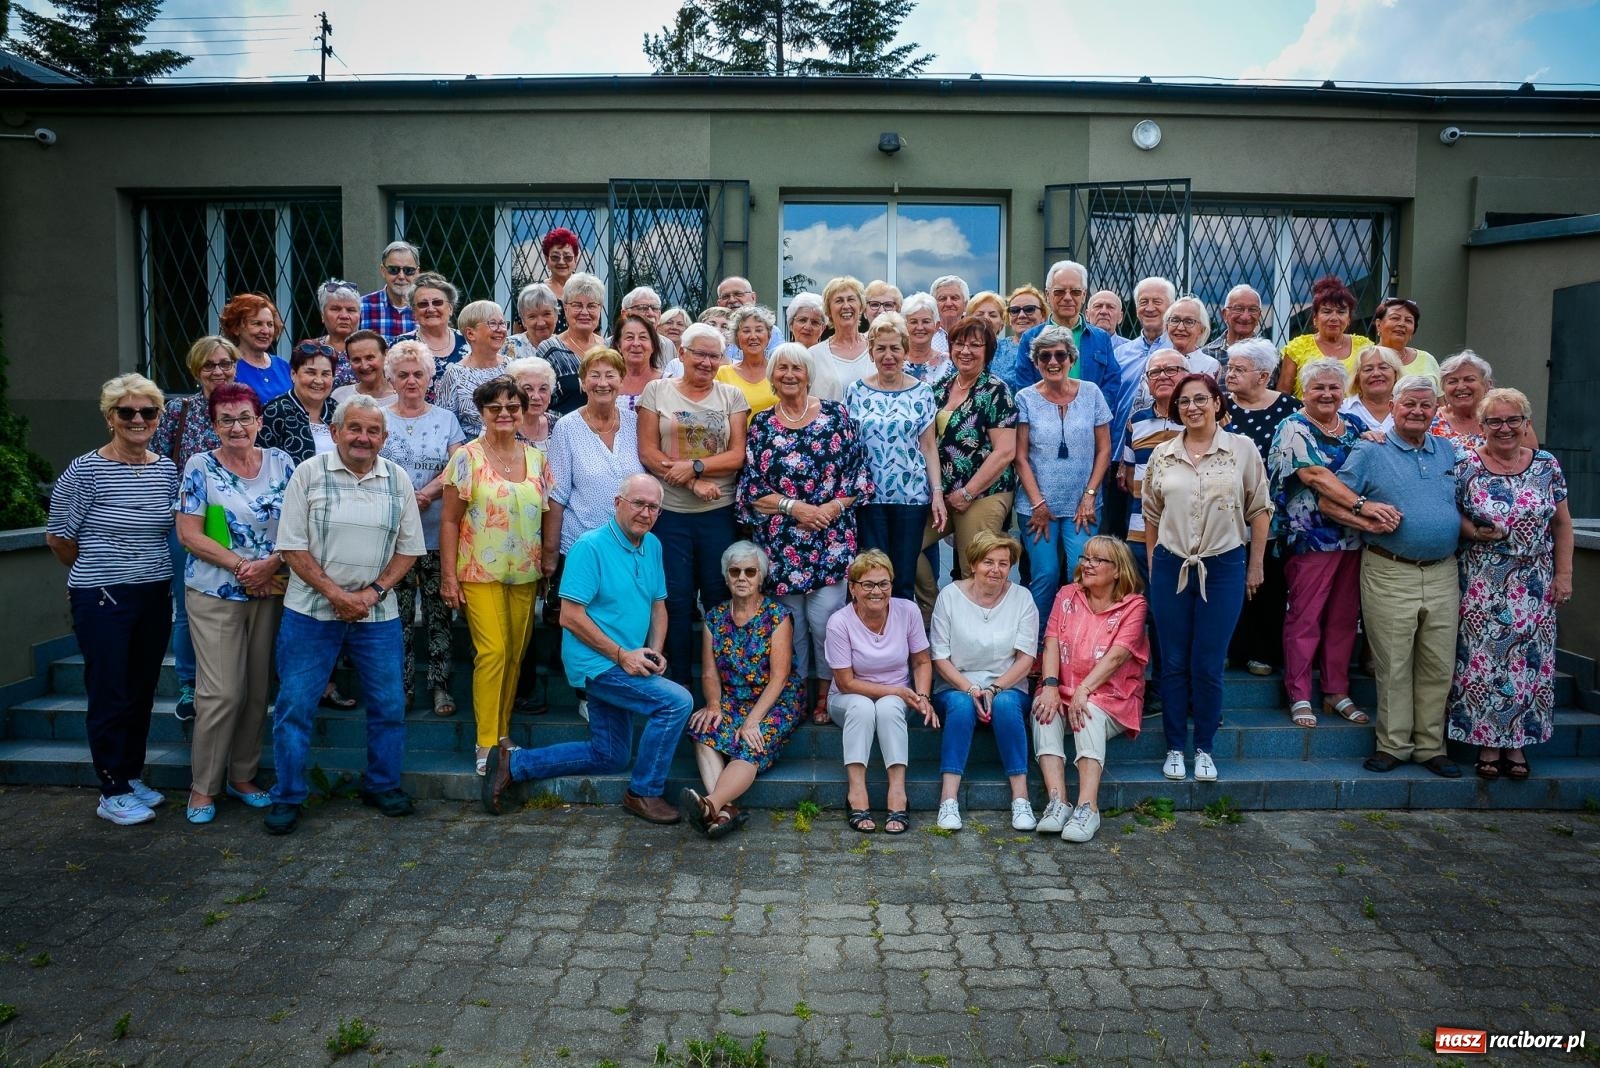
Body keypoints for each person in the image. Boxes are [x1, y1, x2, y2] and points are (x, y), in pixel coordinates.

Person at [482, 475, 694, 825]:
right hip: (597, 663)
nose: (645, 513)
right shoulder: (590, 546)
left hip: (629, 660)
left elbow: (659, 606)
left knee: (610, 756)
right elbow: (569, 616)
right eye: (638, 503)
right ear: (617, 503)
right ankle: (644, 792)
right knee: (677, 702)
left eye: (653, 507)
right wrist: (621, 655)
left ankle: (515, 763)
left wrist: (655, 651)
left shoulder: (653, 545)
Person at [265, 395, 425, 835]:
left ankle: (382, 784)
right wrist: (336, 594)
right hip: (310, 611)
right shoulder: (308, 473)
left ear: (384, 438)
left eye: (373, 431)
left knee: (389, 705)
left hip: (377, 613)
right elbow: (291, 547)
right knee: (295, 706)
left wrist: (372, 593)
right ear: (335, 432)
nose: (363, 438)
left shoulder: (397, 479)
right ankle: (288, 795)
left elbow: (409, 549)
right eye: (354, 428)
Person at [46, 374, 179, 826]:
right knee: (110, 691)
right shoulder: (85, 470)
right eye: (127, 411)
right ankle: (112, 789)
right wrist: (101, 571)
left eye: (148, 411)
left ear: (158, 417)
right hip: (102, 595)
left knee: (141, 690)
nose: (138, 419)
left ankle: (130, 775)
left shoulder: (166, 469)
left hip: (154, 593)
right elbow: (59, 538)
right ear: (109, 417)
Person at [1329, 376, 1465, 779]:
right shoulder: (1370, 449)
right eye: (1409, 404)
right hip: (1390, 569)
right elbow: (1329, 501)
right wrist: (1365, 515)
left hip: (1443, 572)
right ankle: (1393, 745)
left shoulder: (1448, 451)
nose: (1417, 411)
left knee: (1438, 665)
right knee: (1394, 664)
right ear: (1393, 407)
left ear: (1435, 409)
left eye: (1425, 405)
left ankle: (1431, 748)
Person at [173, 382, 293, 824]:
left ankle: (242, 776)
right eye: (226, 419)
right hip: (215, 592)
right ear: (214, 425)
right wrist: (245, 568)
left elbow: (298, 523)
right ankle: (202, 786)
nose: (237, 426)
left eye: (245, 417)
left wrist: (271, 565)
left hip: (270, 589)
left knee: (257, 690)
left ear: (259, 421)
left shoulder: (281, 462)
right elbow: (189, 534)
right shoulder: (200, 466)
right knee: (221, 692)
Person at [1142, 373, 1271, 783]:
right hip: (1172, 565)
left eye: (1200, 399)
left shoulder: (1241, 449)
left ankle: (1204, 748)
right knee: (1173, 661)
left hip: (1223, 565)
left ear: (1217, 402)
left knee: (1209, 662)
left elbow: (1259, 509)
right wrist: (1154, 563)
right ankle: (1174, 747)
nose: (1192, 407)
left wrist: (1255, 565)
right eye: (1183, 402)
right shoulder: (1163, 454)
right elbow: (1151, 514)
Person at [738, 343, 872, 723]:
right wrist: (794, 507)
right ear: (772, 376)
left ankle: (827, 693)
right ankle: (793, 694)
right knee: (790, 625)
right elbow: (752, 488)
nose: (789, 375)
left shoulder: (836, 415)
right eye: (781, 368)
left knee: (826, 621)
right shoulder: (762, 424)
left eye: (797, 368)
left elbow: (858, 476)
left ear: (809, 374)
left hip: (830, 537)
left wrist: (827, 510)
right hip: (782, 543)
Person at [1450, 388, 1573, 780]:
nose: (1504, 428)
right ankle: (1487, 743)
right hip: (1481, 581)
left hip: (1535, 582)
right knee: (1482, 664)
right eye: (1495, 421)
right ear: (1482, 426)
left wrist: (1564, 574)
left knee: (1527, 665)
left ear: (1526, 423)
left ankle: (1517, 743)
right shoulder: (1465, 464)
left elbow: (1562, 524)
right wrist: (1473, 531)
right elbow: (1450, 514)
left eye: (1513, 420)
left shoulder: (1546, 465)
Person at [1269, 359, 1394, 728]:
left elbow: (1376, 463)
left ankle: (1336, 691)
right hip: (1311, 538)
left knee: (1344, 618)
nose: (1326, 394)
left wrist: (1375, 441)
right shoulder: (1293, 426)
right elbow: (1316, 476)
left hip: (1353, 537)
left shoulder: (1355, 425)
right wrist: (1363, 506)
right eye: (1318, 387)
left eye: (1333, 387)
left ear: (1344, 392)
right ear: (1304, 392)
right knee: (1305, 617)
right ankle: (1299, 693)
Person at [441, 377, 550, 776]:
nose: (504, 413)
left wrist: (546, 563)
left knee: (516, 655)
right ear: (482, 413)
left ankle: (502, 733)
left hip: (524, 571)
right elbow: (449, 521)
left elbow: (544, 512)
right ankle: (485, 741)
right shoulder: (466, 457)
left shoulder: (536, 458)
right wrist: (448, 577)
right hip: (478, 570)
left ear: (523, 411)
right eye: (495, 408)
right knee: (493, 652)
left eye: (512, 406)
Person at [637, 324, 750, 690]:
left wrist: (697, 466)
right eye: (699, 353)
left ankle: (721, 683)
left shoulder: (731, 396)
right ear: (682, 354)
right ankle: (680, 684)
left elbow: (737, 455)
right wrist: (692, 481)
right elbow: (648, 452)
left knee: (719, 595)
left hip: (718, 513)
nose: (705, 361)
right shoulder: (657, 391)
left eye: (714, 355)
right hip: (670, 515)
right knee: (676, 599)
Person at [542, 348, 646, 717]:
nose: (603, 383)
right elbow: (556, 495)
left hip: (630, 544)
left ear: (621, 380)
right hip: (582, 542)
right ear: (583, 382)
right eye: (595, 376)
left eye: (610, 375)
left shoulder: (635, 422)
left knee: (623, 616)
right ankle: (587, 695)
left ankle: (624, 685)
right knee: (584, 620)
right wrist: (550, 553)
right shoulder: (567, 427)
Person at [680, 542, 806, 837]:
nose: (742, 578)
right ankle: (724, 811)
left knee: (750, 743)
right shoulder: (714, 618)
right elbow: (710, 673)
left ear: (761, 577)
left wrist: (752, 721)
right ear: (726, 577)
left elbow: (779, 677)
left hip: (776, 700)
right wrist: (713, 704)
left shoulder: (777, 616)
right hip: (734, 698)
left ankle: (711, 804)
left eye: (750, 572)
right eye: (735, 571)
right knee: (703, 728)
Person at [1030, 535, 1149, 842]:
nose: (1087, 564)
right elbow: (1051, 641)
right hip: (1064, 688)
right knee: (1043, 709)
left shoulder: (1134, 605)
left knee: (1089, 711)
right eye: (1085, 558)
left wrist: (1083, 690)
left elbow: (1118, 655)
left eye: (1097, 560)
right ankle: (1058, 802)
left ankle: (1088, 808)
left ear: (1118, 570)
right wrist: (1050, 684)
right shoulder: (1067, 594)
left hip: (1112, 695)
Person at [152, 335, 238, 723]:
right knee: (189, 605)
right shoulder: (180, 410)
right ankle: (189, 684)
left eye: (225, 364)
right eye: (209, 365)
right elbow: (159, 462)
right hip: (190, 519)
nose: (218, 371)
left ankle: (234, 679)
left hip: (238, 519)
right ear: (196, 370)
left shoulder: (248, 406)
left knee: (236, 599)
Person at [929, 531, 1039, 832]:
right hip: (956, 685)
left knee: (1005, 704)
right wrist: (971, 689)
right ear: (973, 564)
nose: (996, 570)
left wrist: (993, 688)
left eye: (1004, 563)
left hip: (1007, 686)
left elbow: (1026, 658)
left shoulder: (1022, 598)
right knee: (961, 705)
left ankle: (1021, 799)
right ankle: (948, 799)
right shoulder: (949, 596)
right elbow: (940, 657)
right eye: (988, 562)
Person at [380, 340, 467, 716]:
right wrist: (404, 498)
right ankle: (401, 688)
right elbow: (365, 462)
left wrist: (426, 493)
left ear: (430, 377)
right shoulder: (378, 416)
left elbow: (459, 465)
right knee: (395, 616)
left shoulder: (446, 419)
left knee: (438, 614)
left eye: (418, 374)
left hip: (435, 532)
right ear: (391, 378)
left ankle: (440, 686)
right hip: (391, 535)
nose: (411, 381)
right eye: (403, 375)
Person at [825, 550, 937, 836]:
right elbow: (846, 682)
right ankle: (856, 793)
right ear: (853, 588)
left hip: (896, 699)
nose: (877, 591)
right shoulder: (839, 622)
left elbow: (922, 661)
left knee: (887, 707)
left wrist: (923, 697)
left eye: (883, 583)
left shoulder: (908, 611)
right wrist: (898, 690)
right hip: (847, 698)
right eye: (868, 584)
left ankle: (898, 793)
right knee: (862, 707)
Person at [1013, 325, 1111, 636]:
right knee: (1045, 573)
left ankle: (1077, 638)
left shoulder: (1091, 393)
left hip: (1083, 504)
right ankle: (1036, 642)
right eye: (1045, 356)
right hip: (1037, 505)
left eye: (1060, 355)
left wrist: (1090, 494)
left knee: (1081, 572)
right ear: (1036, 362)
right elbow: (1020, 456)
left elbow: (1104, 449)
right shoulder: (1025, 398)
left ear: (1072, 358)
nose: (1053, 362)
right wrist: (1038, 503)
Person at [918, 316, 1017, 617]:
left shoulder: (996, 391)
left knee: (972, 567)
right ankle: (934, 610)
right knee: (904, 546)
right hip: (944, 494)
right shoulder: (940, 388)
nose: (965, 351)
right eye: (959, 343)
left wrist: (968, 492)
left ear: (988, 351)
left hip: (984, 492)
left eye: (975, 345)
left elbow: (1005, 451)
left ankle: (974, 629)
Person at [847, 313, 947, 603]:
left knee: (903, 577)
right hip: (869, 498)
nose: (888, 355)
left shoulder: (922, 392)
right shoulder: (855, 391)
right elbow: (850, 447)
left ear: (905, 351)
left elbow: (929, 446)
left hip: (911, 496)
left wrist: (937, 493)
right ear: (871, 352)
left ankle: (903, 632)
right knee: (872, 574)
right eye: (881, 348)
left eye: (894, 348)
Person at [1221, 338, 1300, 676]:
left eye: (1239, 369)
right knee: (1229, 577)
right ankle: (1232, 648)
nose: (1230, 374)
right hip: (1226, 510)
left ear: (1264, 376)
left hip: (1273, 510)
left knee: (1267, 578)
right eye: (1229, 367)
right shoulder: (1219, 406)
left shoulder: (1289, 408)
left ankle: (1264, 652)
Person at [1015, 261, 1123, 423]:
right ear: (1047, 295)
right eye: (1059, 292)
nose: (1067, 298)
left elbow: (1111, 384)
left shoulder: (1101, 338)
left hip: (1090, 428)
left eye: (1075, 292)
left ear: (1084, 295)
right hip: (1043, 427)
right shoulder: (1030, 338)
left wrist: (1090, 416)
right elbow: (1024, 385)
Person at [1275, 276, 1372, 398]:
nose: (1334, 318)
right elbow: (1283, 395)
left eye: (1341, 312)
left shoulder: (1364, 347)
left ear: (1348, 319)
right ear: (1315, 318)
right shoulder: (1297, 348)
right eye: (1327, 312)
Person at [1125, 297, 1221, 414]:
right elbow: (1139, 406)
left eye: (1189, 322)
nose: (1180, 328)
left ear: (1201, 329)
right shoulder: (1156, 360)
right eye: (1175, 320)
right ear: (1166, 326)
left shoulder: (1210, 365)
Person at [1431, 349, 1536, 452]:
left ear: (1487, 385)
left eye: (1469, 379)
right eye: (1452, 381)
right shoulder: (1431, 420)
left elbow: (1531, 458)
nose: (1461, 387)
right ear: (1443, 388)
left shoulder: (1511, 418)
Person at [534, 271, 606, 417]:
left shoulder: (609, 347)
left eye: (592, 306)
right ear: (565, 308)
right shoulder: (550, 350)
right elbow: (538, 398)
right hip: (559, 428)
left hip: (603, 428)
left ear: (600, 309)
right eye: (577, 305)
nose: (584, 312)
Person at [436, 300, 511, 437]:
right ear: (470, 333)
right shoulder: (455, 374)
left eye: (502, 323)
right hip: (472, 448)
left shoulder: (512, 367)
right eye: (493, 324)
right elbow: (444, 426)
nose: (500, 330)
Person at [392, 272, 469, 403]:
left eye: (437, 302)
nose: (431, 309)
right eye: (423, 304)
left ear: (450, 308)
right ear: (414, 312)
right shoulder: (400, 344)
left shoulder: (469, 341)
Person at [257, 341, 337, 464]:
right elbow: (261, 462)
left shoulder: (336, 410)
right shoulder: (276, 411)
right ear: (293, 374)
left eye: (325, 374)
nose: (318, 380)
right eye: (311, 372)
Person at [220, 293, 290, 403]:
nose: (266, 331)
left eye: (270, 324)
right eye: (257, 324)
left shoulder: (283, 366)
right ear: (236, 328)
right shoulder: (227, 367)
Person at [811, 276, 871, 397]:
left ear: (861, 306)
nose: (846, 306)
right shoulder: (814, 355)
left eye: (851, 299)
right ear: (829, 310)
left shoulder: (876, 348)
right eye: (839, 301)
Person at [717, 304, 779, 419]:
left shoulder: (780, 372)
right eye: (746, 331)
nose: (753, 336)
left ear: (769, 336)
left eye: (759, 330)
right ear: (737, 338)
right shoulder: (722, 374)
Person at [1364, 296, 1438, 388]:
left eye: (1408, 320)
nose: (1402, 324)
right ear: (1379, 325)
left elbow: (1441, 397)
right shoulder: (1365, 358)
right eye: (1395, 318)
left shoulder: (1427, 359)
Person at [360, 240, 420, 339]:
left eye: (408, 270)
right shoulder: (361, 307)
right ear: (383, 271)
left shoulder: (426, 308)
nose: (401, 276)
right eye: (394, 270)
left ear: (417, 273)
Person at [993, 285, 1047, 394]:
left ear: (1043, 315)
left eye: (1029, 309)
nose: (1021, 315)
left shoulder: (1054, 348)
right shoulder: (995, 348)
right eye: (1014, 310)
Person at [1201, 284, 1266, 374]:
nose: (1245, 317)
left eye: (1252, 310)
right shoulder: (1205, 355)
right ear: (1225, 314)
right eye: (1238, 309)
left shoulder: (1269, 356)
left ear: (1259, 316)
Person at [1340, 345, 1405, 432]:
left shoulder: (1409, 409)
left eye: (1383, 367)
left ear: (1395, 374)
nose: (1376, 374)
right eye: (1368, 369)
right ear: (1357, 377)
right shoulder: (1341, 409)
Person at [313, 278, 363, 386]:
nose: (344, 316)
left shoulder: (377, 349)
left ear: (359, 315)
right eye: (335, 309)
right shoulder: (310, 350)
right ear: (322, 315)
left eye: (351, 310)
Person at [331, 330, 397, 408]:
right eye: (356, 360)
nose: (364, 366)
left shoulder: (402, 397)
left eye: (370, 358)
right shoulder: (340, 397)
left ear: (386, 355)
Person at [614, 310, 664, 411]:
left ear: (653, 346)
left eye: (643, 337)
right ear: (619, 346)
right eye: (629, 337)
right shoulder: (607, 382)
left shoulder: (666, 383)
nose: (636, 343)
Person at [507, 355, 557, 451]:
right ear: (513, 393)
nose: (536, 397)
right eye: (528, 388)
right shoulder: (501, 425)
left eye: (543, 389)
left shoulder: (559, 426)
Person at [902, 292, 951, 384]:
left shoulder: (948, 362)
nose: (920, 327)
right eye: (913, 322)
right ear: (904, 326)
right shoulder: (895, 361)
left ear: (936, 326)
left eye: (926, 321)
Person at [505, 282, 560, 361]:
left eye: (546, 314)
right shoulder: (508, 347)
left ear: (556, 316)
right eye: (532, 316)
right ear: (523, 321)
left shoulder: (567, 347)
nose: (541, 323)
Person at [541, 227, 580, 333]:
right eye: (555, 257)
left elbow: (595, 335)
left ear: (575, 259)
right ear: (546, 259)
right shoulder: (536, 293)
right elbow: (520, 337)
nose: (561, 262)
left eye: (567, 257)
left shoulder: (586, 292)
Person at [931, 274, 969, 352]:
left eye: (954, 298)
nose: (948, 304)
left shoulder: (974, 333)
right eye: (942, 299)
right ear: (933, 305)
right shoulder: (926, 332)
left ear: (965, 304)